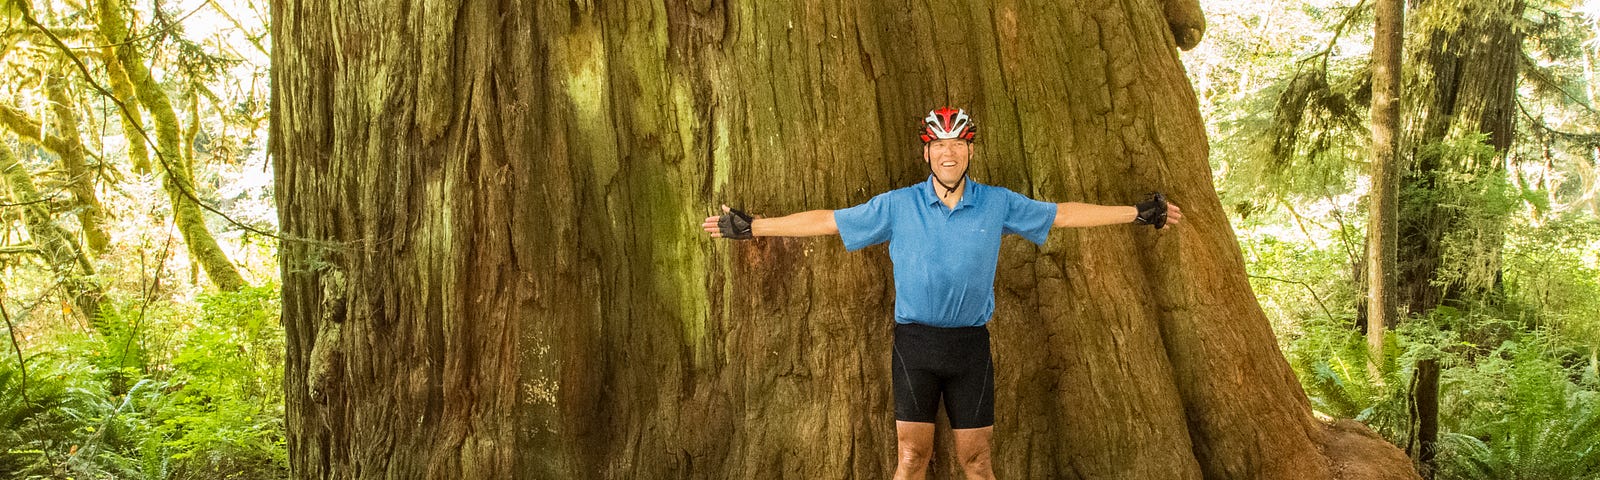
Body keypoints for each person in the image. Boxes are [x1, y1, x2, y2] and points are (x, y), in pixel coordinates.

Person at [699, 107, 1183, 480]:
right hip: (916, 345)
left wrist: (1137, 213)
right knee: (912, 458)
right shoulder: (898, 205)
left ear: (970, 151)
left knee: (977, 462)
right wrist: (753, 227)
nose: (948, 152)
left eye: (958, 143)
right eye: (938, 144)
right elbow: (828, 221)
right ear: (926, 153)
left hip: (971, 348)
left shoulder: (997, 203)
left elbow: (1063, 214)